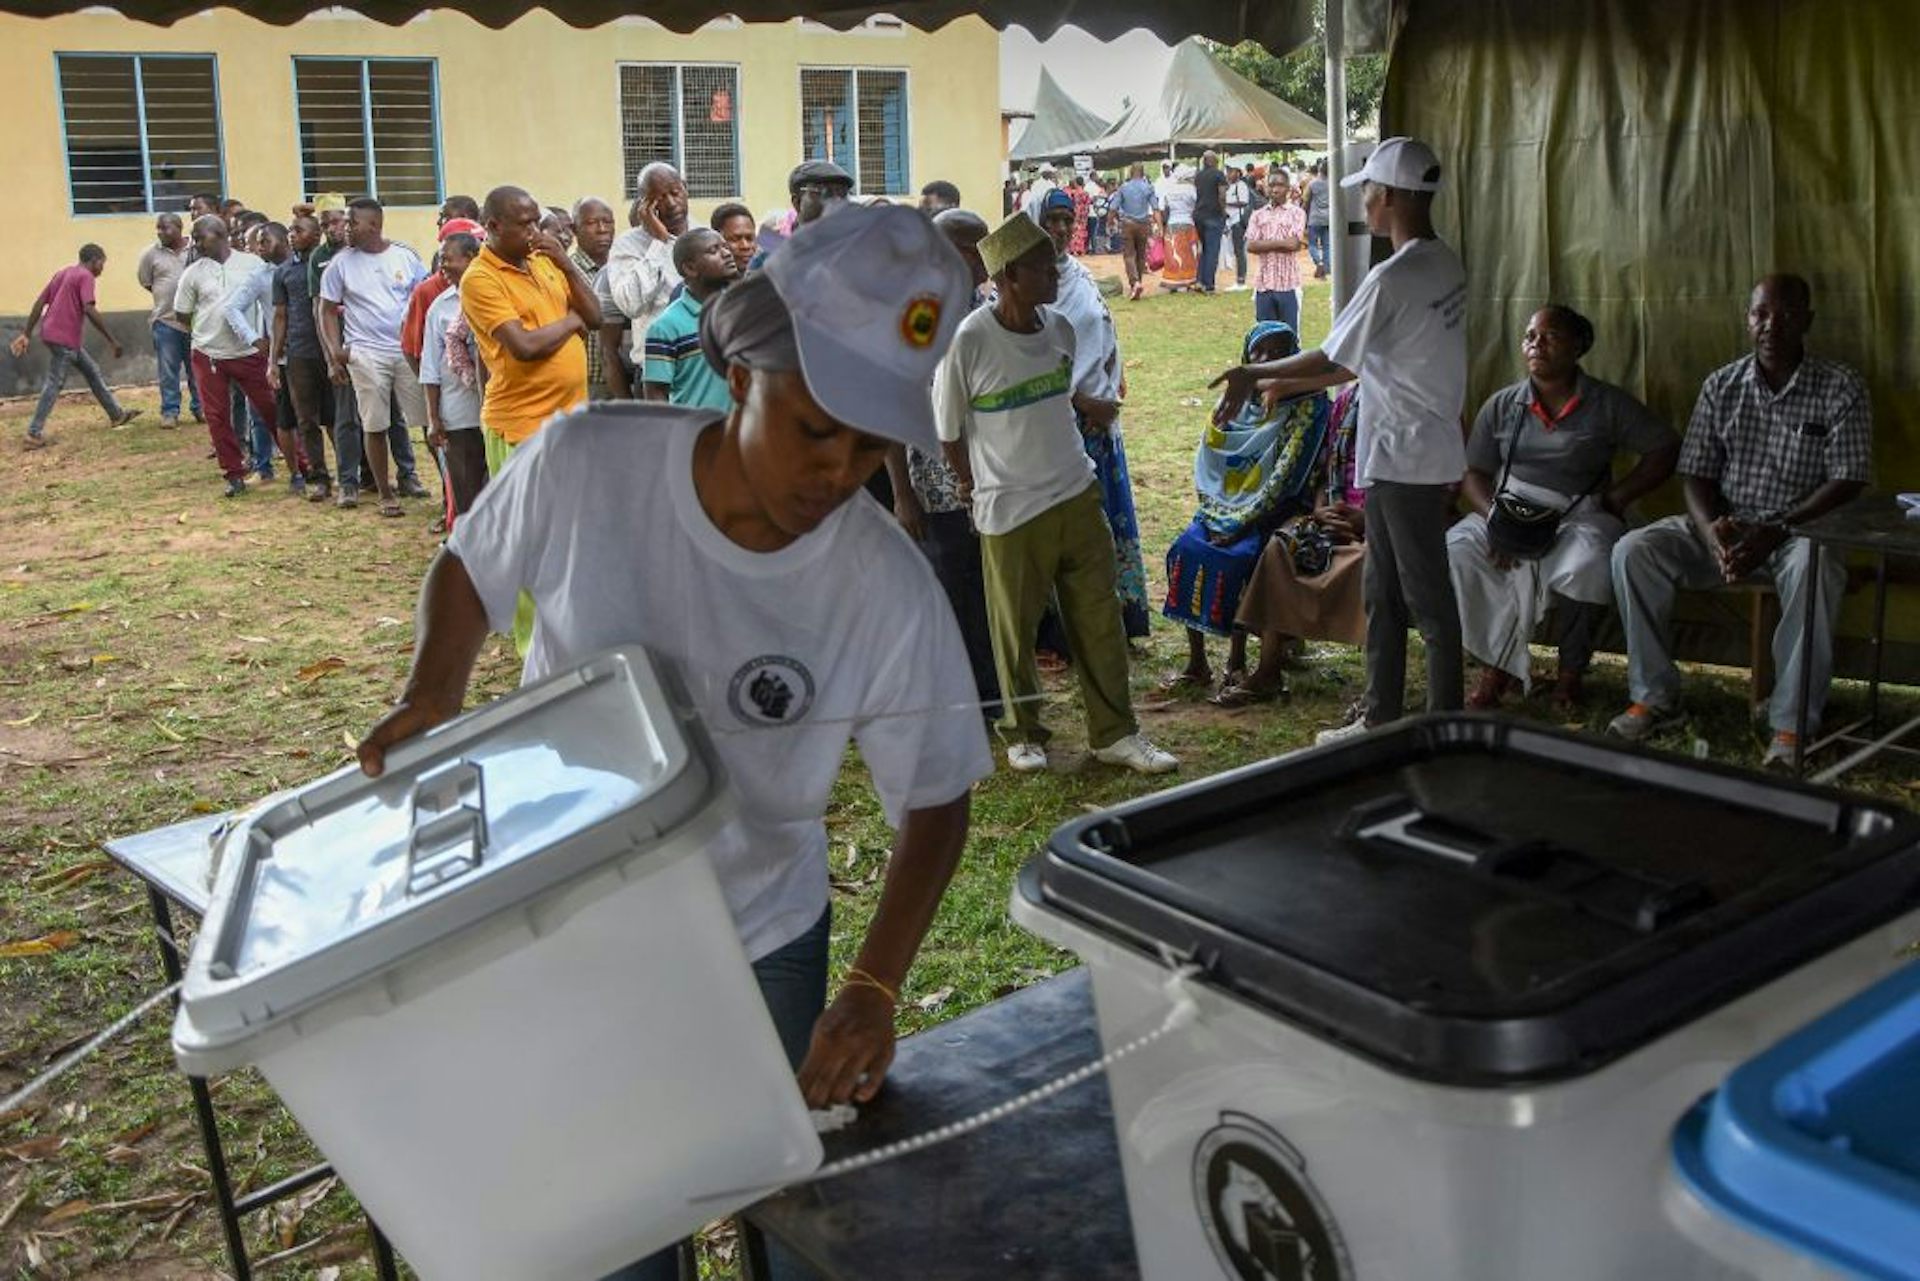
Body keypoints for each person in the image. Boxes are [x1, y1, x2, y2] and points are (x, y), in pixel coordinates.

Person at [356, 206, 989, 1281]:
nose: (838, 474)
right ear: (742, 377)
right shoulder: (587, 465)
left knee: (788, 1213)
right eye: (816, 429)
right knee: (620, 1232)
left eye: (871, 445)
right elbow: (471, 564)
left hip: (762, 934)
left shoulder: (881, 584)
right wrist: (433, 688)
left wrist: (874, 987)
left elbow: (936, 798)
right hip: (575, 923)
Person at [1212, 137, 1469, 743]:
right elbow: (1356, 365)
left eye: (1372, 193)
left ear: (1395, 196)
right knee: (1383, 591)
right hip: (1412, 453)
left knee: (1428, 601)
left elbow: (1330, 353)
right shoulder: (1444, 263)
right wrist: (1279, 380)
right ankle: (1381, 714)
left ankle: (1445, 724)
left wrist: (1256, 372)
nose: (1367, 204)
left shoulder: (1394, 276)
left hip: (1406, 459)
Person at [935, 213, 1177, 776]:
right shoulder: (971, 340)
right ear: (1010, 276)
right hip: (1010, 506)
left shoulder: (1059, 329)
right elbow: (948, 431)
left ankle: (1114, 733)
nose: (1056, 274)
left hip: (1075, 490)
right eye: (1044, 268)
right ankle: (1023, 732)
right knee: (1013, 630)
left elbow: (1063, 402)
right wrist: (973, 486)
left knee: (1099, 618)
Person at [1609, 274, 1870, 768]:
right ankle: (1655, 697)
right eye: (1760, 314)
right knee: (1634, 551)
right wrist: (1713, 533)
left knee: (1816, 565)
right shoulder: (1722, 384)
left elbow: (1848, 479)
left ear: (1807, 321)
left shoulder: (1840, 386)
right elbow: (1697, 475)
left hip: (1798, 532)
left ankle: (1791, 726)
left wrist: (1775, 531)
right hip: (1729, 526)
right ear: (1748, 320)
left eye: (1786, 314)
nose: (1771, 325)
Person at [1450, 306, 1679, 711]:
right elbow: (1474, 470)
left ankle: (1570, 673)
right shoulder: (1503, 405)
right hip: (1506, 510)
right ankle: (1495, 667)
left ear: (1579, 346)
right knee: (1461, 552)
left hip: (1577, 515)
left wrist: (1616, 499)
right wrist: (1495, 519)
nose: (1536, 343)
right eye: (1530, 336)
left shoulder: (1607, 404)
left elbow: (1664, 448)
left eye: (1550, 335)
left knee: (1589, 562)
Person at [1162, 322, 1330, 698]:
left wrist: (1239, 524)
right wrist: (1216, 515)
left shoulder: (1309, 407)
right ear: (1246, 359)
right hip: (1224, 510)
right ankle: (1197, 663)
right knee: (1186, 549)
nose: (1268, 360)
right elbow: (1211, 467)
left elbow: (1287, 479)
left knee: (1239, 559)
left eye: (1279, 352)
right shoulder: (1236, 407)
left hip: (1278, 510)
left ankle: (1236, 660)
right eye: (1259, 353)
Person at [885, 209, 1002, 721]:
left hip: (996, 472)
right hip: (938, 483)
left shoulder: (991, 304)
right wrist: (902, 494)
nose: (982, 256)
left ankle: (994, 693)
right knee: (953, 591)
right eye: (971, 246)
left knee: (988, 588)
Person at [1039, 190, 1151, 640]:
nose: (1062, 229)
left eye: (1068, 220)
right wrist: (1081, 400)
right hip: (1063, 429)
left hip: (1100, 426)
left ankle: (1112, 621)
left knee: (1106, 531)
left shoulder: (1077, 274)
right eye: (1053, 220)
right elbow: (1028, 359)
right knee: (1071, 536)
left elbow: (1101, 327)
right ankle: (1066, 632)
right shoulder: (1029, 285)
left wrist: (1112, 373)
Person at [1230, 383, 1370, 702]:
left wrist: (1366, 520)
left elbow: (1430, 491)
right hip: (1334, 512)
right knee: (1281, 546)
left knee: (1371, 562)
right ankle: (1268, 670)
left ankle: (1375, 691)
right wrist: (1321, 511)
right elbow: (1323, 474)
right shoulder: (1347, 402)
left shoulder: (1412, 403)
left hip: (1383, 521)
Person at [319, 197, 432, 517]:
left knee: (426, 420)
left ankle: (440, 485)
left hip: (405, 352)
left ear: (374, 225)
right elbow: (325, 309)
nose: (345, 228)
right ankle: (385, 493)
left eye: (352, 222)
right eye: (344, 222)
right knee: (375, 423)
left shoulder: (405, 256)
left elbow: (423, 298)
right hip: (366, 354)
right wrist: (334, 353)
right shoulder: (341, 263)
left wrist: (424, 344)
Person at [172, 218, 275, 495]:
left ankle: (302, 466)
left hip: (250, 352)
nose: (193, 242)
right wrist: (204, 331)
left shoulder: (252, 264)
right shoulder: (193, 273)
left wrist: (263, 337)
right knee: (217, 416)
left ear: (220, 235)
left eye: (198, 236)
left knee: (271, 409)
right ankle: (234, 474)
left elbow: (269, 303)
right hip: (208, 354)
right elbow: (182, 313)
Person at [11, 245, 138, 448]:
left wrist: (27, 332)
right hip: (64, 339)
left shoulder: (63, 273)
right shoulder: (85, 276)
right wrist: (112, 339)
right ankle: (33, 434)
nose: (102, 270)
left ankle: (117, 414)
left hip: (57, 336)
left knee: (92, 372)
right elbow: (89, 308)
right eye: (102, 264)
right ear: (94, 261)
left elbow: (40, 302)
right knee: (54, 384)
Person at [220, 221, 314, 494]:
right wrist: (254, 339)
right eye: (257, 242)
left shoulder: (306, 266)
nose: (258, 247)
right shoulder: (261, 275)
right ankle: (295, 472)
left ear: (284, 239)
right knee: (284, 417)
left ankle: (322, 470)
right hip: (284, 356)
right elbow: (232, 308)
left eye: (264, 241)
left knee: (321, 417)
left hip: (313, 352)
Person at [598, 164, 688, 399]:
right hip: (658, 377)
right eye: (658, 199)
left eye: (674, 193)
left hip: (702, 368)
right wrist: (659, 242)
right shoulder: (627, 245)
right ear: (644, 205)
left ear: (685, 190)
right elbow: (631, 304)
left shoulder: (704, 235)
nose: (670, 203)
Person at [418, 231, 488, 523]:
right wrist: (434, 418)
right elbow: (430, 368)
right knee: (466, 492)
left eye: (448, 259)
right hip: (459, 414)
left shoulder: (493, 296)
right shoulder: (441, 307)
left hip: (496, 412)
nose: (442, 266)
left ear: (471, 259)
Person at [272, 214, 336, 503]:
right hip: (299, 353)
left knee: (339, 417)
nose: (291, 234)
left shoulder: (330, 265)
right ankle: (319, 477)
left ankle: (357, 472)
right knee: (306, 419)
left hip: (332, 350)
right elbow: (280, 316)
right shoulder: (284, 271)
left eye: (299, 230)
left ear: (317, 235)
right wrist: (273, 359)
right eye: (290, 230)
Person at [641, 228, 737, 412]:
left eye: (725, 247)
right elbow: (656, 394)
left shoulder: (742, 311)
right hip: (697, 435)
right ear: (690, 268)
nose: (727, 253)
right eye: (714, 250)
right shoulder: (665, 327)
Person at [137, 214, 200, 428]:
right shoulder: (150, 254)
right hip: (166, 322)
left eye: (165, 228)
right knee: (168, 371)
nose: (160, 232)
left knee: (197, 369)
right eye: (158, 228)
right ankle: (170, 412)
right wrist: (168, 297)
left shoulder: (195, 250)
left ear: (179, 228)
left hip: (196, 323)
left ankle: (200, 408)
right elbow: (147, 282)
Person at [401, 217, 484, 374]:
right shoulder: (428, 292)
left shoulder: (489, 285)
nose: (481, 253)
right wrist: (430, 390)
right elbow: (411, 347)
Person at [1244, 169, 1306, 332]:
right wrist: (1281, 243)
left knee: (1290, 337)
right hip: (1264, 285)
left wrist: (1263, 243)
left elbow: (1293, 245)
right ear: (1265, 187)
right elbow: (1250, 246)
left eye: (1280, 185)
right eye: (1271, 185)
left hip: (1289, 285)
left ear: (1288, 188)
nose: (1275, 189)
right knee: (1265, 337)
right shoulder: (1258, 215)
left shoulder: (1297, 213)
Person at [569, 197, 617, 401]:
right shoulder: (567, 272)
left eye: (607, 222)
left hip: (621, 376)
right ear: (574, 229)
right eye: (591, 223)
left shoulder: (622, 268)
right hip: (586, 382)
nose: (602, 229)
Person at [1112, 162, 1156, 301]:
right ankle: (1138, 283)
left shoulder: (1123, 188)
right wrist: (1160, 226)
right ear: (1143, 173)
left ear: (1130, 173)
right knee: (1141, 256)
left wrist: (1109, 222)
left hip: (1128, 224)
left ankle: (1135, 283)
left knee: (1129, 255)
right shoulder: (1148, 187)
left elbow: (1113, 207)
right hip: (1144, 225)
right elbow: (1155, 208)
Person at [1159, 164, 1200, 293]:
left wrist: (1164, 225)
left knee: (1172, 254)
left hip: (1172, 223)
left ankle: (1172, 282)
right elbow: (1197, 206)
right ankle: (1188, 281)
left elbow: (1164, 209)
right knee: (1188, 255)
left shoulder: (1169, 189)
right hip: (1188, 223)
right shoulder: (1191, 189)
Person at [1194, 150, 1228, 294]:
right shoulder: (1219, 174)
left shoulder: (1198, 176)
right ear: (1213, 161)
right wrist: (1223, 211)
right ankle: (1209, 285)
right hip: (1213, 215)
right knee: (1213, 250)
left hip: (1199, 215)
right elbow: (1222, 195)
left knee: (1205, 249)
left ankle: (1200, 281)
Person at [709, 201, 758, 279]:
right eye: (735, 239)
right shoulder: (700, 287)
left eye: (750, 238)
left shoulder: (772, 283)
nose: (745, 246)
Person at [1224, 165, 1255, 289]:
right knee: (1237, 251)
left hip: (1238, 221)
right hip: (1231, 221)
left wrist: (1225, 203)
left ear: (1238, 172)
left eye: (1230, 171)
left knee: (1240, 251)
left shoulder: (1241, 186)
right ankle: (1239, 279)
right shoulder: (1230, 186)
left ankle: (1241, 281)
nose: (1228, 174)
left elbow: (1243, 201)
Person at [1305, 159, 1332, 280]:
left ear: (1320, 169)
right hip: (1329, 218)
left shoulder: (1313, 183)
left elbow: (1307, 201)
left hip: (1314, 218)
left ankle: (1318, 263)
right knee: (1327, 245)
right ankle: (1326, 269)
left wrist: (1304, 217)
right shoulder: (1333, 184)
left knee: (1312, 244)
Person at [1066, 175, 1092, 255]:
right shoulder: (1086, 193)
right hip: (1083, 214)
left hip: (1075, 213)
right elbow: (1088, 203)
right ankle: (1080, 249)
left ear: (1076, 183)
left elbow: (1071, 203)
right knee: (1082, 231)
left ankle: (1073, 249)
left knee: (1074, 231)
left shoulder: (1073, 193)